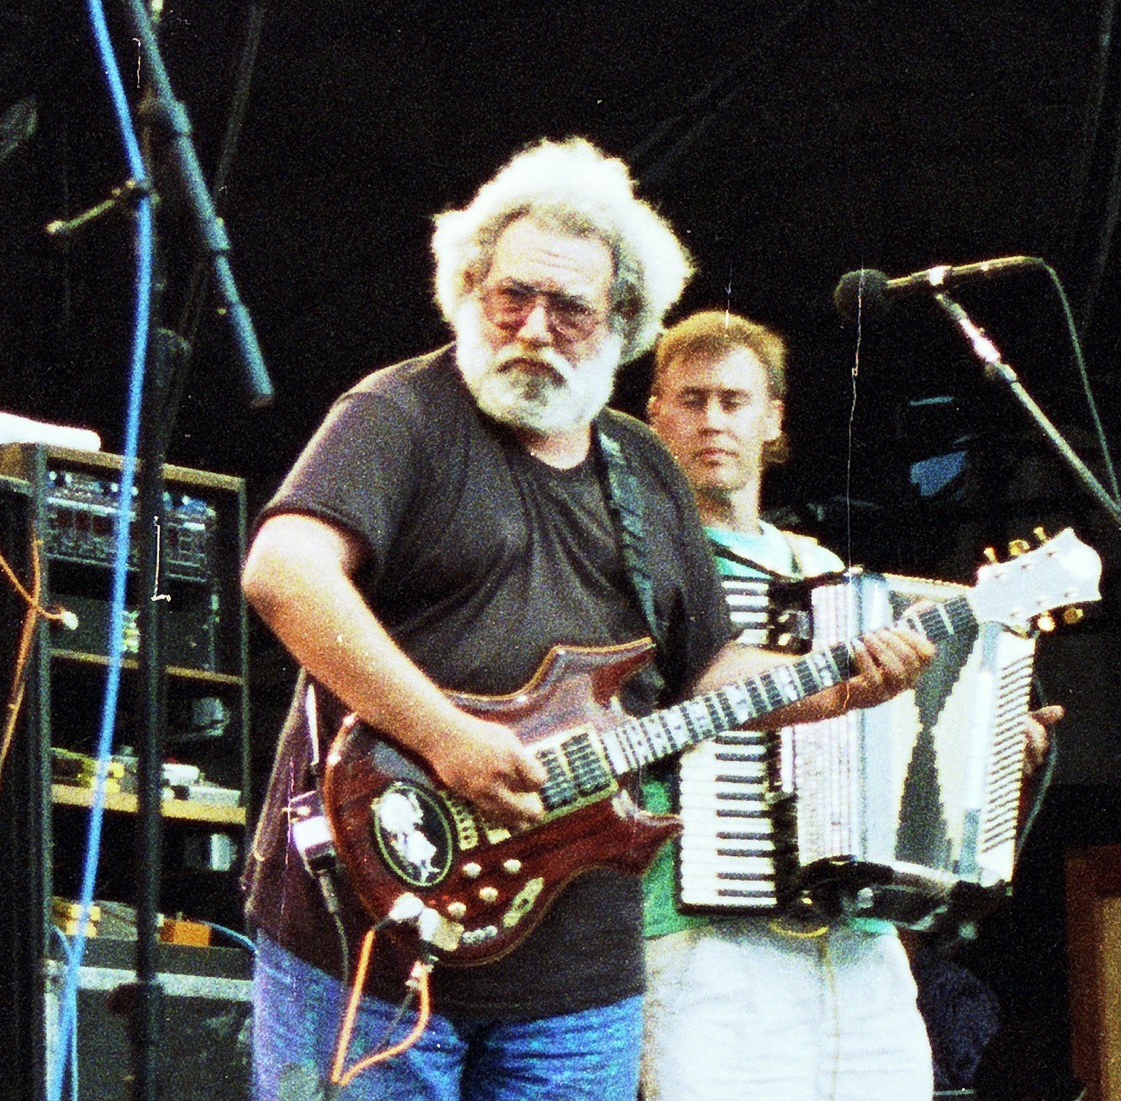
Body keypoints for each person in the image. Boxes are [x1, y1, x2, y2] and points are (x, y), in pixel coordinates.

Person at [239, 139, 936, 1101]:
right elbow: (284, 572)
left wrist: (829, 687)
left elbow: (701, 674)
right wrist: (447, 737)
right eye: (510, 297)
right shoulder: (399, 413)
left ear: (621, 324)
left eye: (568, 309)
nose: (533, 327)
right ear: (468, 288)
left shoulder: (642, 466)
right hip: (374, 929)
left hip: (574, 976)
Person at [640, 309, 1058, 1101]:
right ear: (655, 413)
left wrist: (993, 748)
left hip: (855, 935)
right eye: (690, 400)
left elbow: (890, 740)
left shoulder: (825, 569)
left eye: (734, 401)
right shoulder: (631, 562)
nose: (712, 421)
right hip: (704, 924)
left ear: (773, 420)